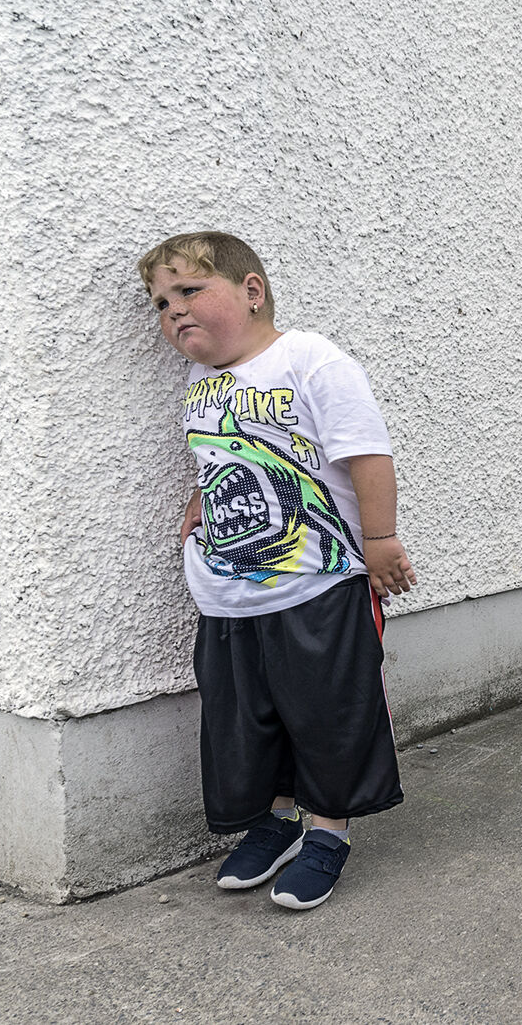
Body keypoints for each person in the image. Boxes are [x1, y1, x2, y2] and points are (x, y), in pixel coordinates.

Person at [140, 231, 416, 910]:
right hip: (229, 592)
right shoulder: (201, 383)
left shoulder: (310, 360)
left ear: (252, 291)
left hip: (317, 583)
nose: (174, 310)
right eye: (160, 302)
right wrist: (201, 497)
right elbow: (226, 455)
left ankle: (328, 831)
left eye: (190, 290)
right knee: (251, 716)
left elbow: (367, 454)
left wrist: (378, 539)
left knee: (326, 713)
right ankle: (280, 818)